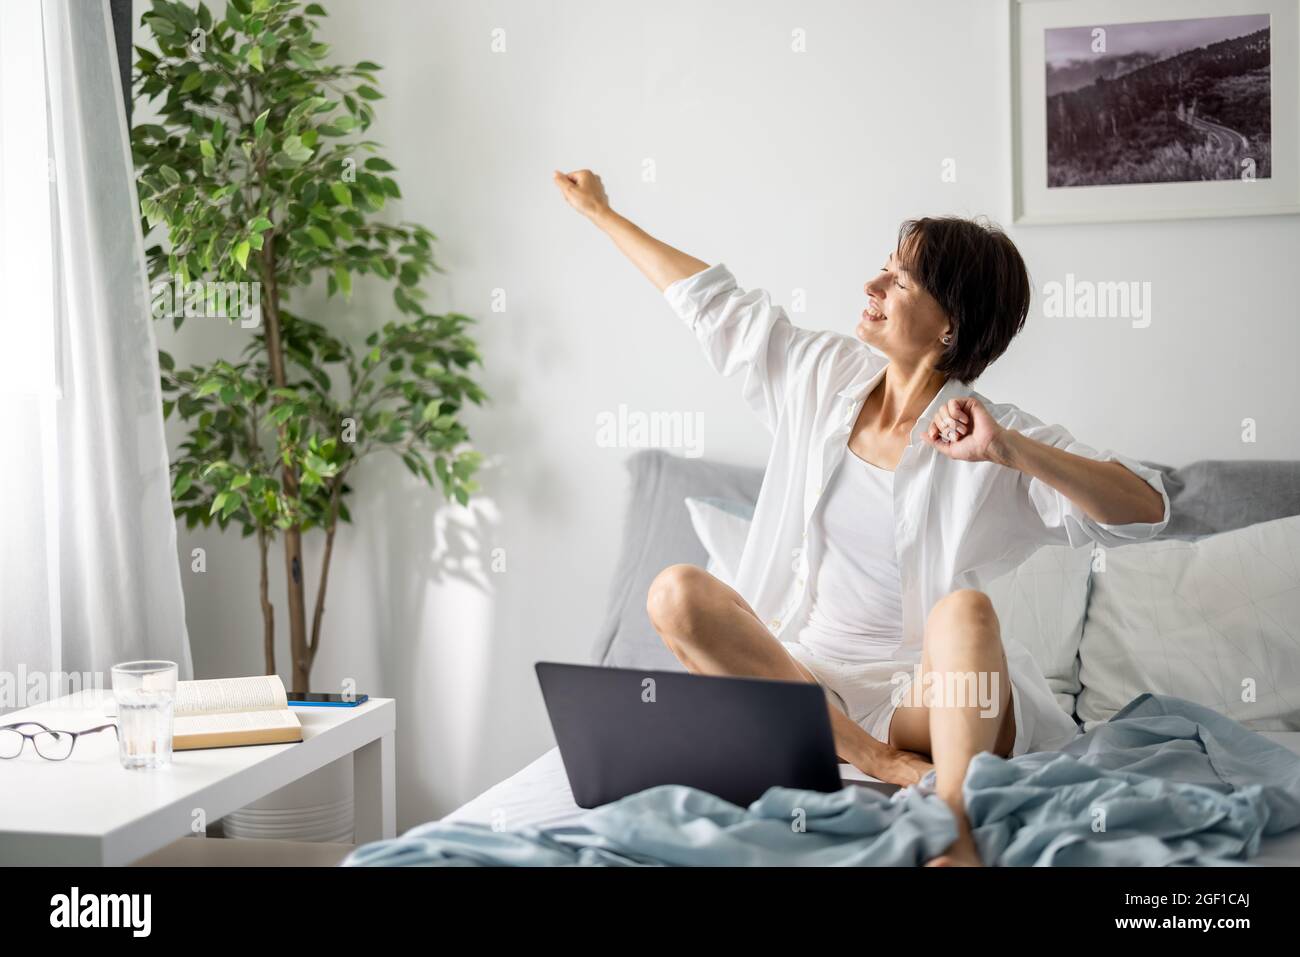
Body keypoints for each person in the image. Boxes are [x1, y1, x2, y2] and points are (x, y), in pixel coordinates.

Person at [554, 168, 1169, 865]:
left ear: (949, 325)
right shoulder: (821, 372)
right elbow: (708, 301)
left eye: (899, 281)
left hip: (932, 700)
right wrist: (602, 213)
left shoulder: (991, 435)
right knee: (674, 591)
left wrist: (1012, 451)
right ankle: (873, 757)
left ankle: (957, 831)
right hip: (807, 682)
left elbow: (1145, 508)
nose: (872, 288)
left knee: (965, 610)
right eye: (882, 270)